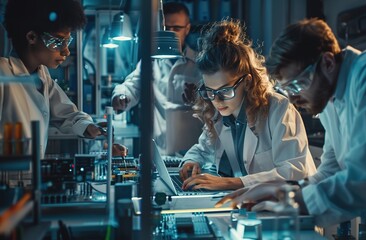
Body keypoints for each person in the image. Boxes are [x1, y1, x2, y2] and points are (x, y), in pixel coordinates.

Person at [216, 18, 366, 239]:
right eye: (286, 88)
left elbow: (363, 181)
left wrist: (289, 200)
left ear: (327, 63)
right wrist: (282, 190)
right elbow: (331, 171)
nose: (292, 98)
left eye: (297, 85)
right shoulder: (330, 99)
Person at [178, 19, 316, 191]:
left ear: (247, 82)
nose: (217, 100)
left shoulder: (278, 109)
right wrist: (191, 161)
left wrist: (233, 183)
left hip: (285, 205)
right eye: (210, 91)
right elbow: (202, 149)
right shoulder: (219, 113)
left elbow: (295, 170)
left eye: (225, 90)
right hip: (248, 203)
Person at [0, 0, 117, 158]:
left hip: (30, 179)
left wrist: (90, 126)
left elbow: (67, 114)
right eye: (58, 41)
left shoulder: (42, 75)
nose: (66, 51)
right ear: (32, 37)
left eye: (67, 41)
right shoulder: (3, 74)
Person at [111, 2, 202, 152]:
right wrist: (121, 96)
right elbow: (131, 87)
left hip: (193, 152)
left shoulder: (200, 64)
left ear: (187, 29)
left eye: (177, 28)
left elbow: (213, 107)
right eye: (166, 28)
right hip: (159, 150)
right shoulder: (150, 62)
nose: (171, 33)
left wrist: (198, 99)